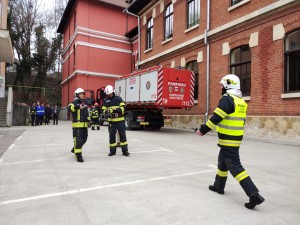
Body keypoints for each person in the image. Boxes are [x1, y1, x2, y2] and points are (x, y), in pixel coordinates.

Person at [195, 74, 265, 210]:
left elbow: (216, 118)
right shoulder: (241, 101)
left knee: (236, 168)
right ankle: (218, 186)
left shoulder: (227, 100)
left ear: (228, 85)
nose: (221, 87)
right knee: (222, 162)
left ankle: (254, 195)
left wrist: (202, 130)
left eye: (222, 85)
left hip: (228, 140)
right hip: (234, 139)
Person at [102, 85, 130, 156]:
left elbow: (123, 107)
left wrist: (116, 110)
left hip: (120, 121)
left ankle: (125, 151)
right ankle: (112, 151)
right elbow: (103, 109)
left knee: (123, 136)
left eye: (110, 93)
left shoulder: (118, 98)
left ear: (113, 92)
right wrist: (106, 112)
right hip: (111, 122)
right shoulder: (106, 100)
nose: (109, 95)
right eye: (108, 94)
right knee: (111, 137)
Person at [68, 88, 90, 162]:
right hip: (77, 126)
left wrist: (88, 119)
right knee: (78, 141)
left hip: (84, 125)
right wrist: (77, 107)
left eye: (83, 94)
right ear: (77, 95)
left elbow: (86, 112)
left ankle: (74, 149)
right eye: (80, 94)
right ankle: (78, 156)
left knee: (85, 139)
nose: (82, 95)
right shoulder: (74, 102)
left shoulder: (84, 102)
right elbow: (70, 108)